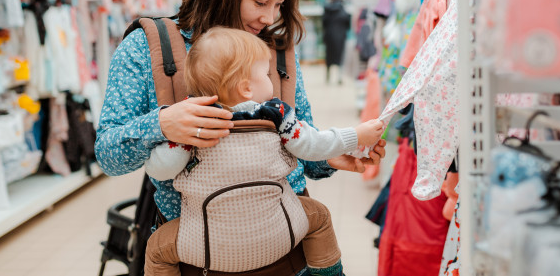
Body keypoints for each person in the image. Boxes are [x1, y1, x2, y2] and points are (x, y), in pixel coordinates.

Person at [95, 0, 387, 275]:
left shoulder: (275, 53)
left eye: (279, 4)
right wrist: (163, 123)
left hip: (285, 250)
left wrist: (330, 158)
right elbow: (108, 155)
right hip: (196, 255)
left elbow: (302, 147)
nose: (269, 17)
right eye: (260, 1)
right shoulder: (149, 48)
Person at [143, 27, 384, 276]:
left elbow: (161, 171)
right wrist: (356, 135)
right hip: (280, 237)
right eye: (267, 73)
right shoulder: (277, 115)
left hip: (207, 248)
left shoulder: (194, 124)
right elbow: (315, 145)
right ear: (246, 88)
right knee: (319, 216)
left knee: (157, 249)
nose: (271, 78)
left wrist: (162, 134)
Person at [322, 0, 351, 84]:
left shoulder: (327, 10)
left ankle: (328, 77)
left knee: (329, 58)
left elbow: (324, 23)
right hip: (340, 38)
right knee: (340, 57)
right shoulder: (343, 10)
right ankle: (339, 77)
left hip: (329, 37)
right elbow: (348, 25)